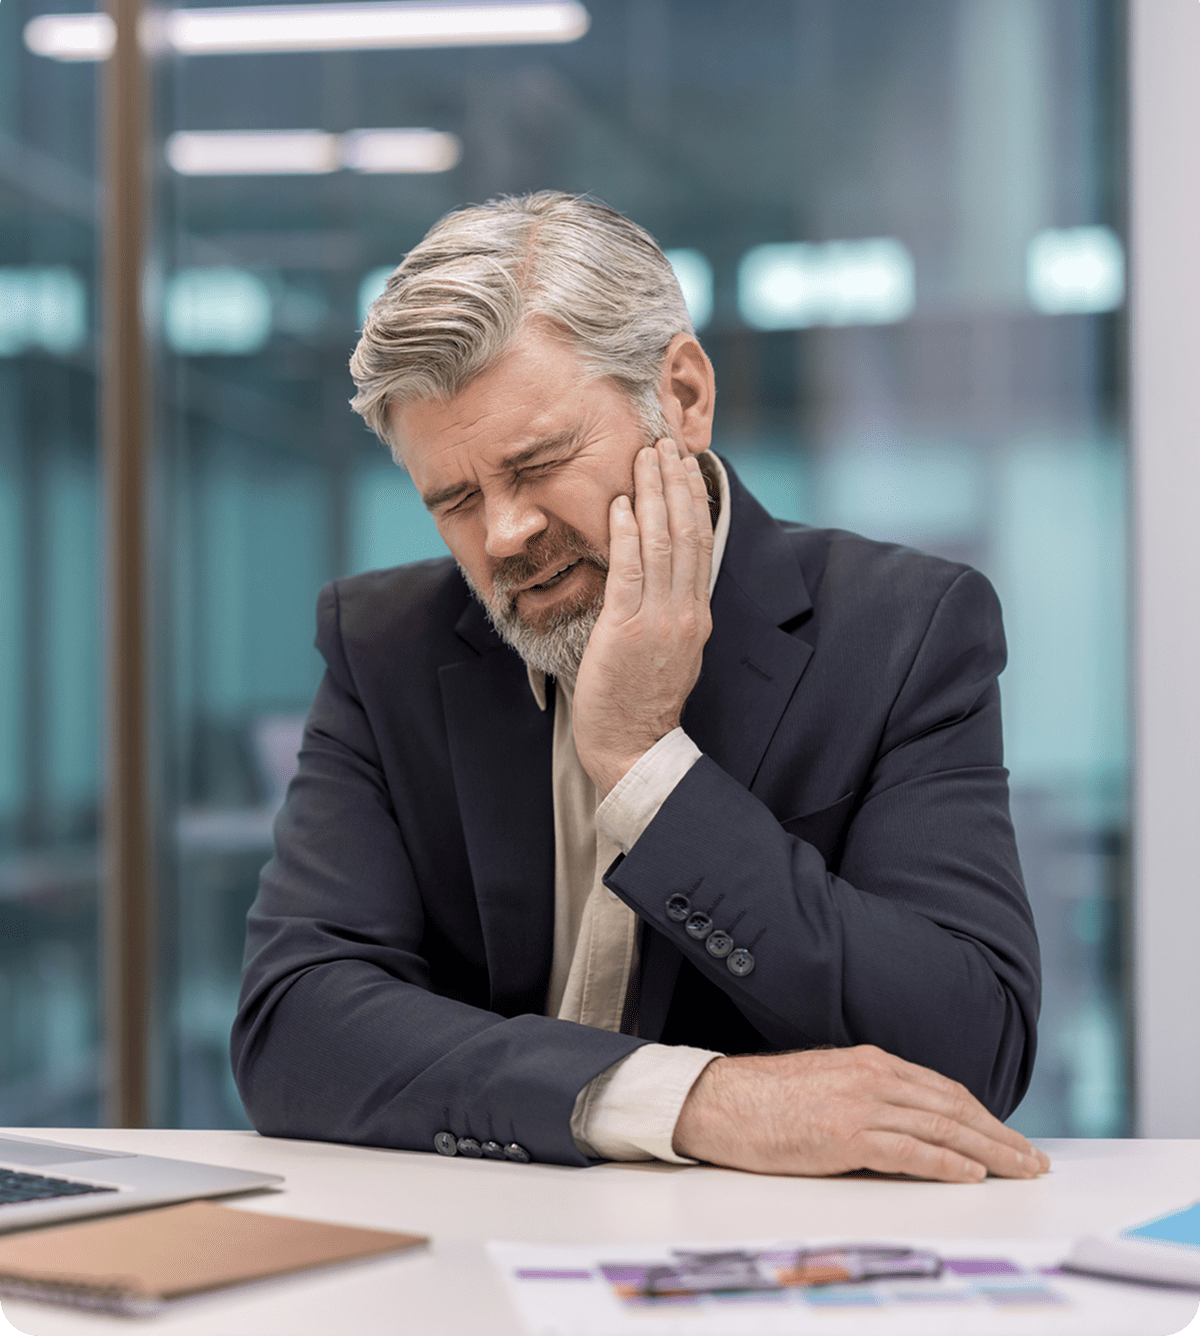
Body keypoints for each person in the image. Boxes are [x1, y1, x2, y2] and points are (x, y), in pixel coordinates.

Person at [232, 192, 1047, 1184]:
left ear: (685, 396)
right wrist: (685, 1100)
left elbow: (970, 1047)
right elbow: (295, 1026)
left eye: (538, 463)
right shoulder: (383, 646)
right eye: (454, 499)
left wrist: (643, 765)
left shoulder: (905, 631)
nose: (503, 536)